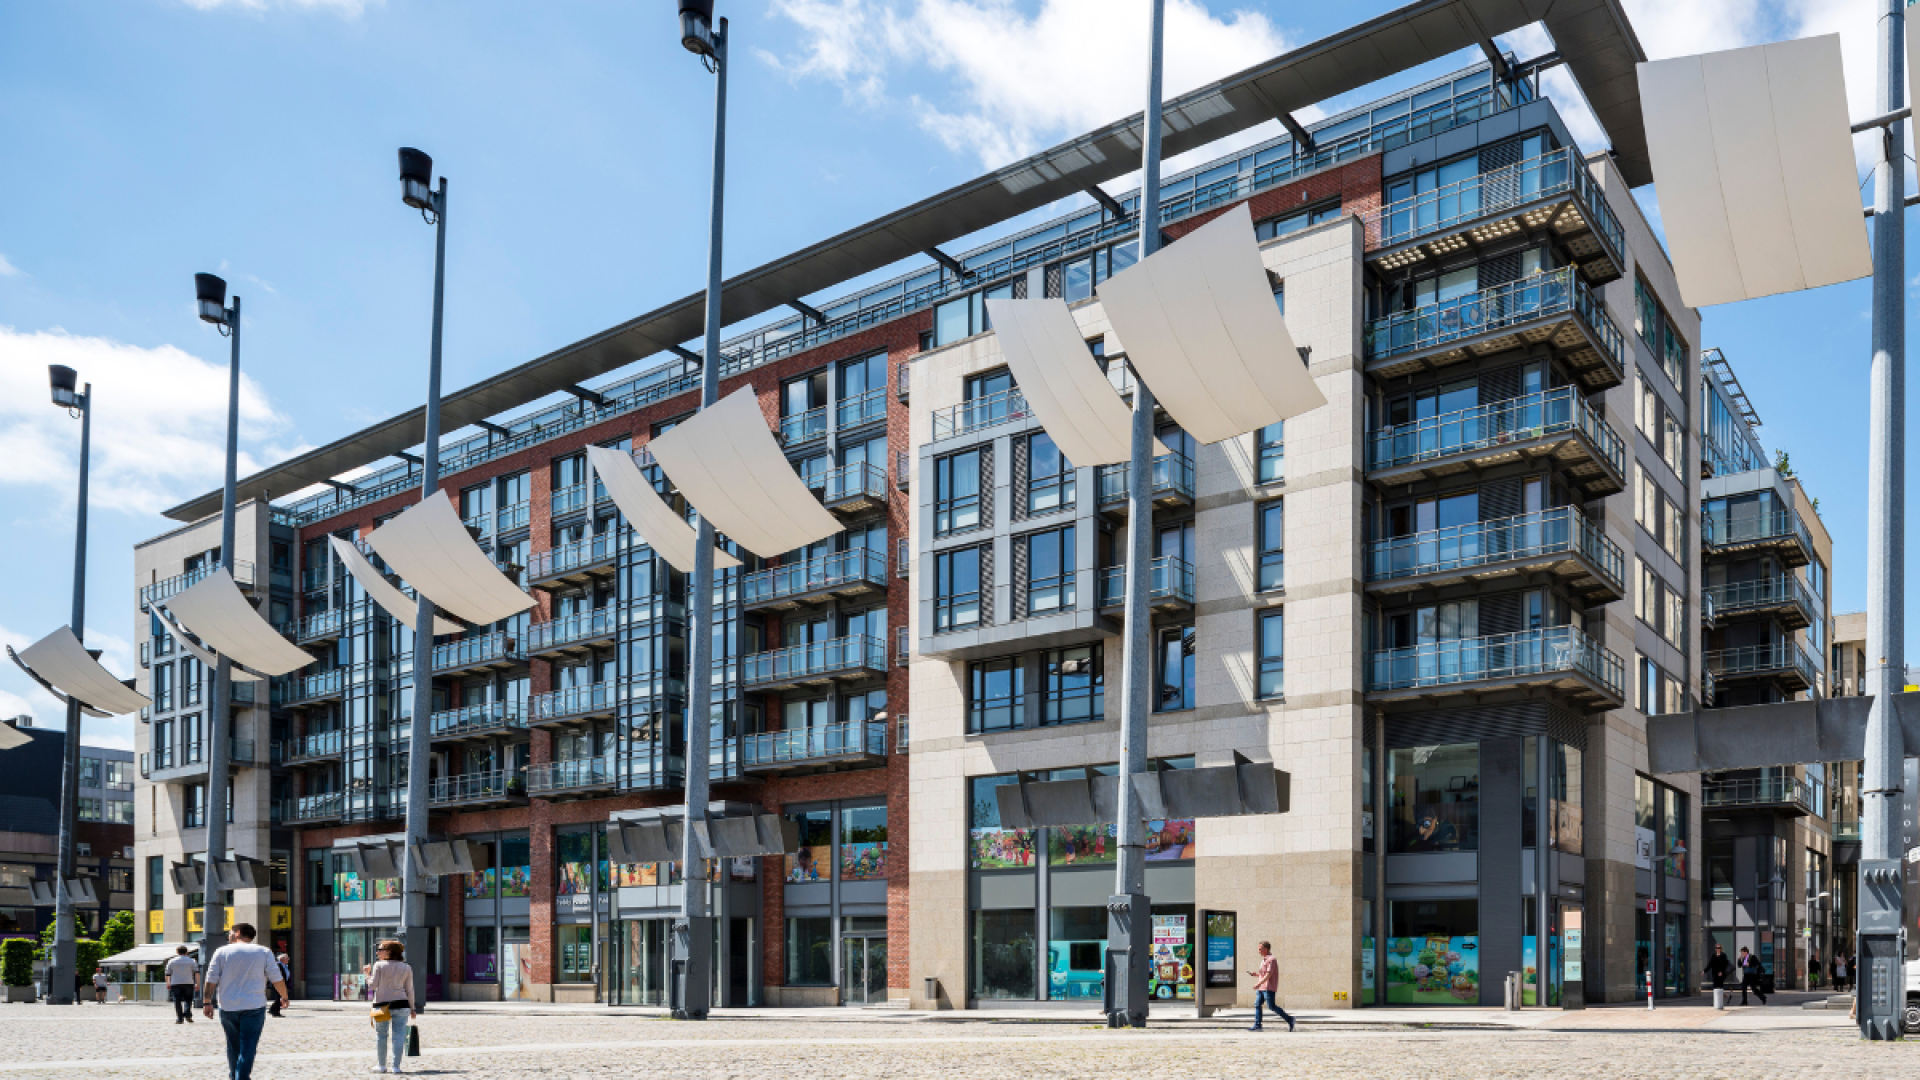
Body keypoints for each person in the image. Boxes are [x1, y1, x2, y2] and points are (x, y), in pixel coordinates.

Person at [203, 922, 289, 1080]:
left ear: (237, 932)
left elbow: (211, 978)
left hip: (228, 1006)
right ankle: (241, 1077)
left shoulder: (221, 952)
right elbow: (276, 977)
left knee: (232, 1045)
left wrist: (207, 1001)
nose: (228, 935)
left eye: (230, 932)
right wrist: (284, 996)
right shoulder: (263, 951)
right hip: (254, 1005)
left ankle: (234, 1076)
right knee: (248, 1045)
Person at [366, 939, 417, 1075]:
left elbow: (373, 985)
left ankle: (381, 1065)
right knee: (399, 1036)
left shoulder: (379, 965)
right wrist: (413, 1008)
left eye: (381, 949)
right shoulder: (406, 967)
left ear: (389, 952)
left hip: (382, 1005)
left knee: (381, 1035)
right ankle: (396, 1067)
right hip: (402, 1004)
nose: (378, 952)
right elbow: (410, 989)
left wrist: (367, 974)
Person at [1244, 940, 1294, 1032]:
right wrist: (1256, 975)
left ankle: (1290, 1019)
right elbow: (1264, 974)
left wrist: (1258, 983)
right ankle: (1258, 1025)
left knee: (1271, 1006)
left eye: (1260, 949)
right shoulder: (1264, 960)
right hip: (1261, 987)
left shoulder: (1271, 960)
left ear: (1265, 949)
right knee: (1257, 1004)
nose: (1258, 951)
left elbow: (1269, 975)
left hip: (1268, 987)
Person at [165, 945, 199, 1024]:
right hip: (188, 983)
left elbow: (167, 974)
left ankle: (180, 1018)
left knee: (177, 1001)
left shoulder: (172, 961)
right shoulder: (192, 961)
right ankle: (187, 1014)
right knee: (188, 1000)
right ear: (186, 952)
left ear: (177, 952)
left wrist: (168, 982)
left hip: (175, 983)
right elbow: (197, 973)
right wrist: (197, 983)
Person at [268, 951, 291, 1017]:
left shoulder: (285, 966)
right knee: (279, 998)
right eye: (286, 958)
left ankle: (273, 1010)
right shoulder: (278, 965)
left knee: (279, 998)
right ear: (281, 959)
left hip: (283, 984)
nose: (288, 959)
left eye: (288, 957)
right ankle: (274, 1012)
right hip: (277, 984)